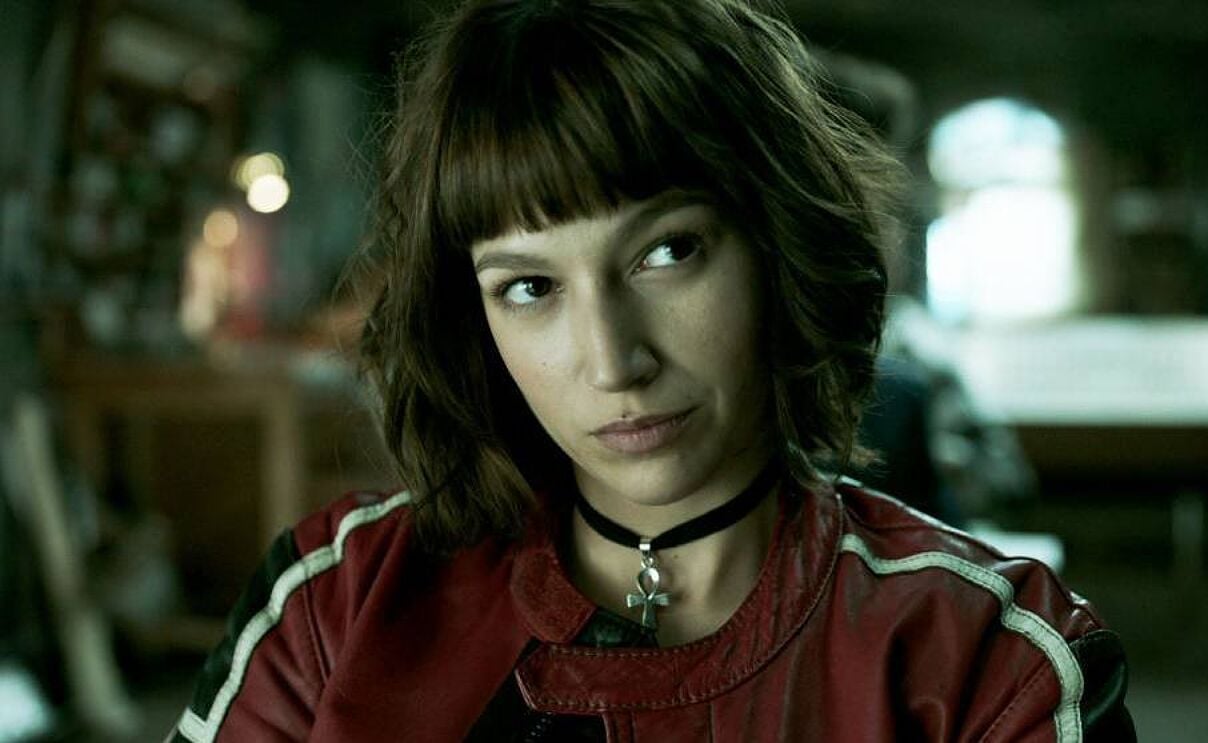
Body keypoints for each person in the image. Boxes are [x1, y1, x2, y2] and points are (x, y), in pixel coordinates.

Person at [169, 0, 1135, 740]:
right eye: (530, 287)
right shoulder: (339, 606)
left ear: (776, 241)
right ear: (472, 317)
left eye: (667, 253)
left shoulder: (986, 661)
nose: (613, 360)